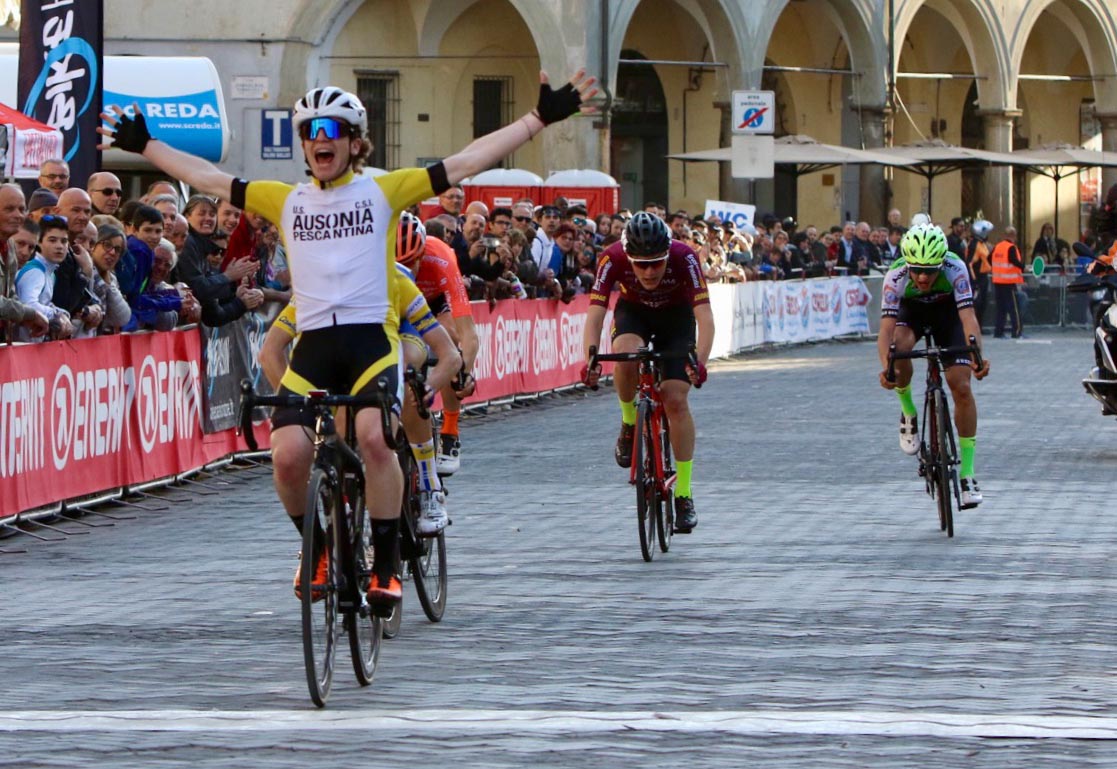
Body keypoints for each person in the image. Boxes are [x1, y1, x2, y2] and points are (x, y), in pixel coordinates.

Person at [101, 68, 597, 606]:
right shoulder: (284, 199)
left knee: (373, 438)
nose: (319, 139)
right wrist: (146, 144)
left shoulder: (383, 190)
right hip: (313, 346)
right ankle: (317, 549)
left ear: (355, 142)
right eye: (310, 131)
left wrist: (538, 118)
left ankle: (385, 566)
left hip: (369, 342)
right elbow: (209, 176)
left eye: (332, 130)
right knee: (287, 456)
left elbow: (467, 161)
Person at [580, 212, 714, 533]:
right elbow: (595, 314)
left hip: (677, 319)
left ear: (669, 253)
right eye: (641, 264)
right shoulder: (611, 258)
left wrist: (700, 363)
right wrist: (590, 360)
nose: (650, 271)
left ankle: (683, 492)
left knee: (675, 399)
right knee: (625, 353)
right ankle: (629, 422)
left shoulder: (686, 257)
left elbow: (706, 318)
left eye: (657, 262)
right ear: (628, 257)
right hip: (634, 314)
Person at [877, 223, 990, 508]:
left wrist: (977, 355)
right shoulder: (896, 277)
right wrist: (886, 368)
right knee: (898, 351)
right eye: (917, 270)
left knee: (961, 386)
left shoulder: (956, 268)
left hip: (947, 315)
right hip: (911, 314)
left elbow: (968, 319)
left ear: (942, 263)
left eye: (930, 270)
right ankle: (908, 412)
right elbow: (886, 330)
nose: (923, 277)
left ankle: (967, 474)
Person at [991, 226, 1025, 339]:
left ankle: (998, 332)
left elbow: (988, 259)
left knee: (1001, 308)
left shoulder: (997, 247)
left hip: (997, 281)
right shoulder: (1011, 247)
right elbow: (1014, 260)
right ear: (1013, 236)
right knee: (1014, 308)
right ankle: (1017, 332)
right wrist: (1025, 267)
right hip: (1009, 282)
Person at [966, 219, 993, 330]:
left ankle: (979, 327)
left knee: (983, 304)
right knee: (977, 304)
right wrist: (974, 281)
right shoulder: (974, 244)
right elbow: (970, 263)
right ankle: (974, 328)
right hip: (977, 278)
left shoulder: (982, 244)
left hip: (983, 277)